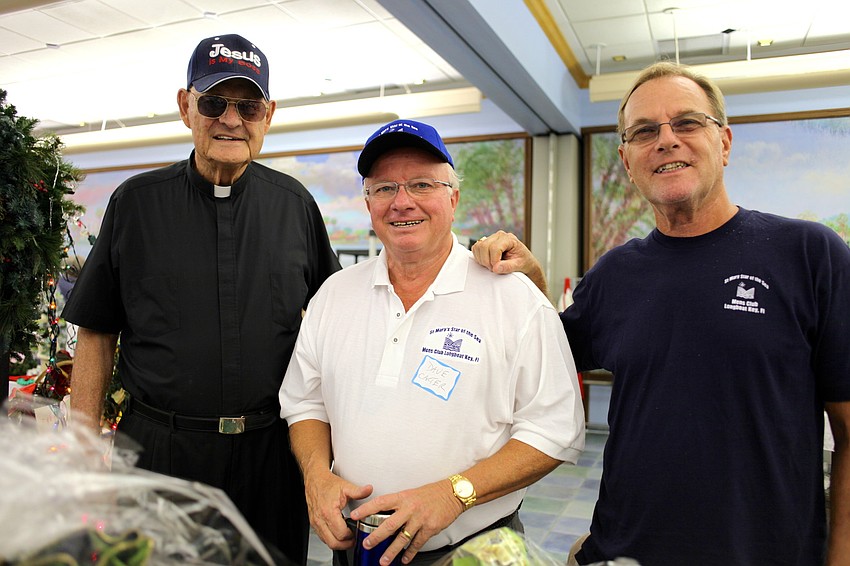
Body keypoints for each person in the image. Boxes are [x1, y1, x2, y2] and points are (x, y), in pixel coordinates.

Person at [472, 61, 850, 566]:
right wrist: (533, 280)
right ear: (628, 162)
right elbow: (548, 356)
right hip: (623, 554)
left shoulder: (809, 254)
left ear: (725, 143)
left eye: (687, 123)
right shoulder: (615, 274)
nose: (666, 140)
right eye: (645, 131)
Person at [62, 34, 341, 564]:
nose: (231, 120)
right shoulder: (135, 205)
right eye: (214, 103)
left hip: (269, 456)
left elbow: (337, 322)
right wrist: (81, 449)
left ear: (269, 114)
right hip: (155, 455)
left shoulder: (295, 206)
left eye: (248, 105)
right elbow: (96, 329)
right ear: (186, 106)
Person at [279, 119, 585, 565]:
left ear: (453, 198)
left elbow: (555, 429)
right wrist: (315, 476)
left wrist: (454, 493)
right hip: (358, 548)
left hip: (472, 549)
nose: (402, 202)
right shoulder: (334, 295)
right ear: (368, 203)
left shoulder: (513, 298)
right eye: (383, 188)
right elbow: (305, 403)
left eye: (421, 184)